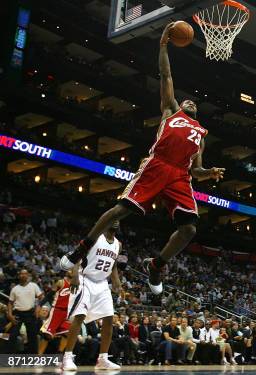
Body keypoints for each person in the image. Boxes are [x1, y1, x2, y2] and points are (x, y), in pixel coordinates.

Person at [60, 22, 225, 294]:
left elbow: (196, 170)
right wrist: (163, 45)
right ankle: (81, 248)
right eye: (188, 101)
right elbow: (166, 75)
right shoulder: (171, 110)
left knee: (190, 230)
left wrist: (208, 173)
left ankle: (157, 265)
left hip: (181, 176)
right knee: (121, 210)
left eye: (195, 103)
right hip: (157, 164)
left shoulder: (201, 135)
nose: (191, 102)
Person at [61, 222, 123, 371]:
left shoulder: (118, 244)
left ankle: (103, 359)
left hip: (102, 283)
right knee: (80, 316)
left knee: (109, 318)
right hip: (85, 278)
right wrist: (74, 275)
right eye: (113, 218)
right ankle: (67, 357)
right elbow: (78, 255)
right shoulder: (95, 237)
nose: (116, 221)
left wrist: (116, 280)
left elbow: (113, 265)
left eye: (118, 220)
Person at [7, 269, 43, 354]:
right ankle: (10, 357)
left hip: (30, 313)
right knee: (13, 335)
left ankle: (32, 358)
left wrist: (38, 307)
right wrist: (10, 314)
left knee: (32, 336)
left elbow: (41, 297)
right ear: (19, 275)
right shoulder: (15, 289)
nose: (23, 275)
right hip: (18, 313)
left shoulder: (33, 286)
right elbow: (10, 303)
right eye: (21, 274)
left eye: (25, 274)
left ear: (28, 275)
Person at [39, 270, 73, 354]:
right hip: (57, 310)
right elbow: (49, 295)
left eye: (73, 270)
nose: (71, 271)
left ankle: (59, 355)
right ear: (66, 272)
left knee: (67, 334)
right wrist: (39, 305)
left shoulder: (76, 284)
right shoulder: (60, 282)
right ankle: (38, 358)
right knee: (47, 335)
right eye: (70, 269)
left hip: (67, 312)